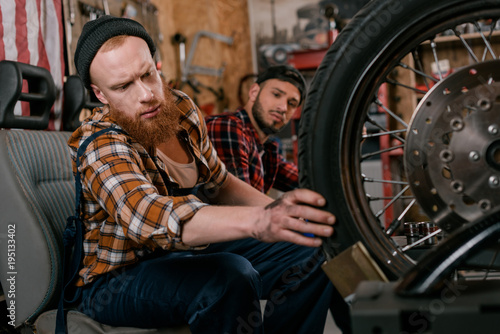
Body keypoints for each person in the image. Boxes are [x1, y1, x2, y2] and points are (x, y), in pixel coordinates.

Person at [69, 15, 351, 334]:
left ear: (156, 64)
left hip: (180, 253)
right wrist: (257, 223)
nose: (145, 94)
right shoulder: (100, 143)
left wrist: (283, 216)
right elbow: (148, 216)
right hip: (116, 279)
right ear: (101, 94)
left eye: (147, 75)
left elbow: (221, 183)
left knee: (310, 247)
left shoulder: (183, 110)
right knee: (230, 276)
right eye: (123, 86)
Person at [205, 65, 303, 194]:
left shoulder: (265, 148)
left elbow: (303, 180)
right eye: (276, 94)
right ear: (254, 92)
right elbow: (241, 204)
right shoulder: (228, 127)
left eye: (292, 104)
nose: (284, 107)